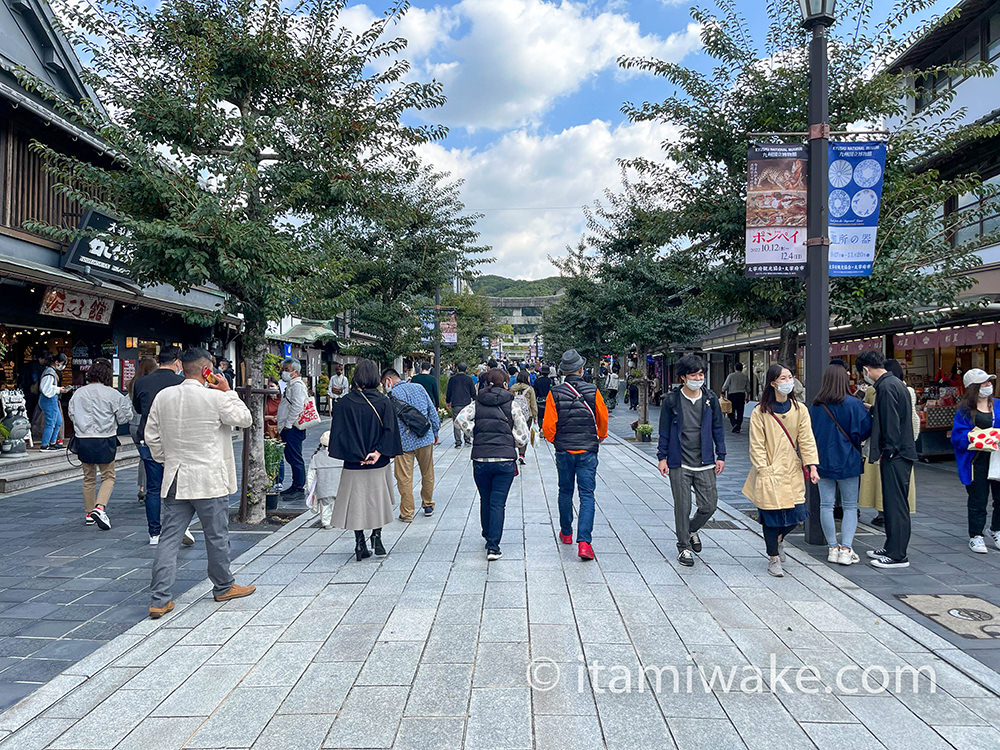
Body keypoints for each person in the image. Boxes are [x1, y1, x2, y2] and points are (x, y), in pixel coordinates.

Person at [145, 348, 255, 618]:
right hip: (208, 478)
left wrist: (167, 459)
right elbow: (245, 419)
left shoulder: (164, 397)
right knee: (216, 536)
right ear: (208, 371)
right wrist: (228, 391)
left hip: (176, 477)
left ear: (182, 366)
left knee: (169, 539)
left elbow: (152, 436)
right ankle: (223, 586)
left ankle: (159, 599)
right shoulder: (214, 398)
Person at [742, 363, 820, 577]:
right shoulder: (761, 411)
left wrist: (811, 465)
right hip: (769, 469)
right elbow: (756, 444)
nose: (788, 381)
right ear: (773, 383)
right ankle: (773, 558)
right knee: (771, 517)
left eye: (790, 377)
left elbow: (806, 439)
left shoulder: (799, 409)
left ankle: (779, 540)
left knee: (797, 515)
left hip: (792, 470)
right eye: (783, 378)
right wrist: (763, 469)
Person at [328, 359, 402, 561]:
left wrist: (356, 454)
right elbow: (390, 430)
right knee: (376, 500)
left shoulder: (343, 404)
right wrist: (378, 452)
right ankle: (376, 536)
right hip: (378, 461)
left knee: (356, 503)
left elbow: (339, 435)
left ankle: (359, 540)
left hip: (354, 463)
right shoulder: (383, 401)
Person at [656, 355, 726, 567]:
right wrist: (662, 457)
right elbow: (664, 430)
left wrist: (721, 455)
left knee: (710, 505)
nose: (698, 378)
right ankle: (684, 546)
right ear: (683, 377)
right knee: (682, 506)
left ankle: (691, 529)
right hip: (679, 462)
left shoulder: (710, 399)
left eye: (701, 374)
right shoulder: (672, 400)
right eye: (693, 374)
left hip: (705, 460)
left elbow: (718, 428)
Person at [456, 368, 530, 560]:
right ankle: (493, 546)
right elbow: (523, 436)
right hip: (505, 460)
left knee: (485, 498)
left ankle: (487, 533)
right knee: (498, 503)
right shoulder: (512, 405)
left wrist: (476, 433)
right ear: (505, 384)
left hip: (480, 458)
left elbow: (460, 419)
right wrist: (509, 439)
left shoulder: (477, 403)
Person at [543, 349, 609, 561]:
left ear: (563, 372)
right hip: (587, 450)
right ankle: (584, 543)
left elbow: (548, 427)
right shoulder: (593, 390)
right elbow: (603, 418)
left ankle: (566, 532)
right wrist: (599, 436)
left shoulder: (556, 393)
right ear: (581, 369)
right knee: (587, 494)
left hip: (564, 451)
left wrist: (557, 441)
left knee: (565, 490)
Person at [856, 350, 917, 569]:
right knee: (892, 503)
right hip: (900, 451)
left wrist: (888, 450)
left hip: (896, 453)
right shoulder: (893, 383)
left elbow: (891, 421)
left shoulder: (886, 386)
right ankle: (892, 546)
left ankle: (898, 554)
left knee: (896, 503)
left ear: (866, 369)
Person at [809, 364, 872, 566]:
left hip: (822, 461)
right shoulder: (855, 404)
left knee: (826, 505)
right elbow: (864, 431)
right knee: (850, 506)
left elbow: (809, 435)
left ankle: (832, 548)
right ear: (844, 380)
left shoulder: (816, 406)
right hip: (848, 460)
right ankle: (846, 549)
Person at [131, 347, 194, 545]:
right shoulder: (182, 383)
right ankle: (180, 527)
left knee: (153, 487)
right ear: (177, 362)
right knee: (177, 485)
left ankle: (154, 533)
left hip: (148, 438)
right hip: (177, 439)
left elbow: (138, 409)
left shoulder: (141, 381)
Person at [67, 357, 133, 530]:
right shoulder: (112, 394)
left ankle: (89, 513)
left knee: (88, 477)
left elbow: (72, 414)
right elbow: (125, 417)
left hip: (83, 438)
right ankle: (100, 507)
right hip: (105, 437)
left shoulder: (78, 393)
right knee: (108, 475)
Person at [951, 369, 1000, 554]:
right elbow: (957, 436)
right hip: (976, 460)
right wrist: (974, 436)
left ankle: (996, 529)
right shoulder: (965, 411)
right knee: (978, 499)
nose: (988, 386)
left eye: (989, 382)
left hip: (997, 458)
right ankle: (976, 535)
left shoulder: (998, 405)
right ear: (973, 388)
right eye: (984, 383)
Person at [382, 368, 440, 521]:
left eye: (383, 383)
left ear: (388, 381)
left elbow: (387, 422)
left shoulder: (390, 396)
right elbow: (431, 410)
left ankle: (407, 513)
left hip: (403, 442)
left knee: (404, 478)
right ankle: (428, 505)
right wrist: (435, 431)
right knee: (428, 472)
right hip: (424, 437)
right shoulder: (418, 387)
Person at [277, 357, 308, 501]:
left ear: (295, 372)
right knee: (290, 456)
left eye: (287, 370)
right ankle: (295, 485)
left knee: (295, 457)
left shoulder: (297, 386)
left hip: (293, 427)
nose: (284, 373)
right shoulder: (291, 384)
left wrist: (288, 424)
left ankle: (299, 487)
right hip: (289, 426)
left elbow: (297, 406)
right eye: (283, 370)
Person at [128, 357, 157, 503]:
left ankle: (142, 487)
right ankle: (146, 487)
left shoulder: (133, 382)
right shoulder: (150, 383)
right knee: (148, 456)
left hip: (133, 423)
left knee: (143, 456)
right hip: (145, 423)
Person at [308, 431, 340, 529]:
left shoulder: (316, 457)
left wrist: (310, 490)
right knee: (336, 504)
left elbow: (311, 476)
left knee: (325, 505)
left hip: (323, 488)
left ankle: (326, 522)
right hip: (339, 487)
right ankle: (337, 520)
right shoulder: (341, 456)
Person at [38, 352, 70, 450]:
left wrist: (58, 389)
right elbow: (46, 389)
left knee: (58, 422)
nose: (63, 366)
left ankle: (52, 442)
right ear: (56, 362)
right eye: (62, 364)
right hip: (49, 399)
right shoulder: (50, 372)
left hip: (51, 399)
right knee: (51, 422)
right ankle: (45, 445)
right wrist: (59, 389)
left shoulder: (51, 371)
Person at [446, 362, 477, 448]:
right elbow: (473, 392)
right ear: (466, 369)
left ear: (457, 369)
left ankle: (458, 442)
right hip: (466, 403)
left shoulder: (452, 379)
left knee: (456, 423)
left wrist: (448, 401)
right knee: (467, 421)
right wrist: (475, 400)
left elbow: (449, 392)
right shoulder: (469, 379)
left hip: (455, 403)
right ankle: (467, 440)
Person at [509, 370, 537, 464]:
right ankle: (522, 454)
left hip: (515, 414)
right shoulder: (530, 389)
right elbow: (533, 404)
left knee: (513, 433)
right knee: (524, 434)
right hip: (527, 415)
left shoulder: (512, 388)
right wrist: (535, 416)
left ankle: (513, 453)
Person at [721, 362, 750, 433]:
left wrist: (722, 393)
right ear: (742, 368)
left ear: (735, 368)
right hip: (741, 395)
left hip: (732, 395)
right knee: (740, 411)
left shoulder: (731, 376)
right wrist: (747, 397)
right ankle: (738, 426)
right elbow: (748, 388)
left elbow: (725, 386)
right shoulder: (745, 376)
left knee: (730, 411)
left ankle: (734, 424)